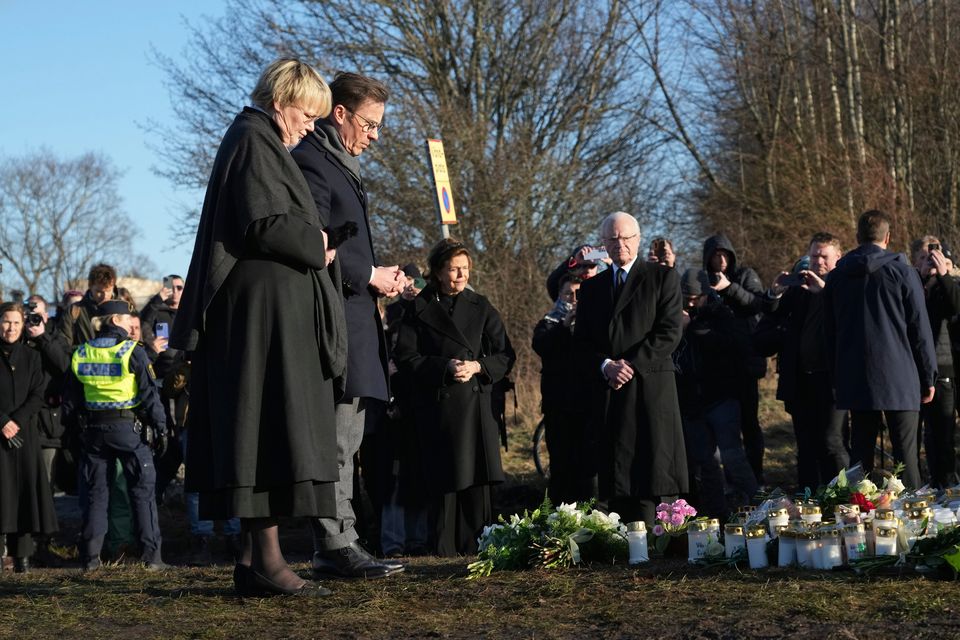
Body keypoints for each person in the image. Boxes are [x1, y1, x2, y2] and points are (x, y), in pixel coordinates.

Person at [172, 58, 345, 596]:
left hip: (266, 319)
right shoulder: (252, 138)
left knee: (261, 429)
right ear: (279, 101)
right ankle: (267, 563)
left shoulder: (256, 139)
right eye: (305, 113)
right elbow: (264, 223)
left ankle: (252, 563)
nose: (310, 125)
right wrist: (317, 244)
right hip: (258, 323)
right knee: (263, 432)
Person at [292, 72, 405, 579]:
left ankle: (344, 542)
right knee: (337, 441)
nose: (375, 136)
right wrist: (368, 274)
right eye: (370, 124)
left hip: (357, 322)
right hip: (334, 325)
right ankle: (336, 547)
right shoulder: (313, 163)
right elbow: (311, 245)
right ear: (339, 114)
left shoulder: (341, 164)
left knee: (350, 439)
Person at [394, 239, 516, 555]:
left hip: (476, 406)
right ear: (437, 271)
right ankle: (443, 547)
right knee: (444, 479)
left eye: (464, 269)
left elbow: (505, 354)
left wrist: (478, 366)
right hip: (439, 406)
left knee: (475, 479)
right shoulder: (418, 308)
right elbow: (406, 357)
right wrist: (444, 366)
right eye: (453, 269)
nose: (460, 276)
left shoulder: (481, 306)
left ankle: (478, 542)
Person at [574, 212, 687, 525]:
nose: (619, 244)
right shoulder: (592, 288)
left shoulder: (661, 277)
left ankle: (658, 534)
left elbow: (669, 332)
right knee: (618, 467)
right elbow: (581, 342)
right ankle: (622, 535)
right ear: (604, 243)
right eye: (612, 239)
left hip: (649, 386)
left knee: (652, 467)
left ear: (637, 239)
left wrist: (632, 364)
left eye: (625, 238)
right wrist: (605, 364)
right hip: (611, 389)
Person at [824, 210, 937, 489]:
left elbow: (829, 334)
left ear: (857, 237)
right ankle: (912, 521)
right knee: (906, 458)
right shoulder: (903, 272)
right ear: (888, 237)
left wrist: (836, 379)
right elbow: (919, 329)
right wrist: (928, 376)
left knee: (860, 459)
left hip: (856, 376)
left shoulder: (837, 277)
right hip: (901, 376)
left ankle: (858, 524)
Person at [61, 300, 168, 571]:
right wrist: (161, 427)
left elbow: (70, 401)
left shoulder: (82, 352)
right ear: (118, 320)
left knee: (96, 496)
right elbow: (149, 395)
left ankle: (90, 560)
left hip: (94, 432)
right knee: (142, 492)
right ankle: (152, 558)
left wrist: (75, 434)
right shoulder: (132, 351)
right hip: (128, 431)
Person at [755, 233, 850, 491]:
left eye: (824, 256)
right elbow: (769, 320)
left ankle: (845, 497)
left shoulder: (843, 285)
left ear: (837, 258)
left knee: (832, 441)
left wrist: (825, 291)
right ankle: (809, 503)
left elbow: (851, 319)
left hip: (833, 381)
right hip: (801, 379)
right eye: (814, 255)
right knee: (806, 446)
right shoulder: (798, 290)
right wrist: (774, 293)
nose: (818, 261)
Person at [673, 270, 756, 519]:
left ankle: (761, 505)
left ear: (706, 295)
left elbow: (733, 346)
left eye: (695, 298)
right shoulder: (677, 318)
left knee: (733, 459)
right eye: (686, 298)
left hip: (721, 398)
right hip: (692, 402)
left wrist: (692, 327)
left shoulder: (722, 314)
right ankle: (718, 516)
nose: (690, 303)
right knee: (705, 463)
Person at [700, 234, 770, 484]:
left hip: (745, 363)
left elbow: (757, 304)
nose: (720, 260)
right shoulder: (702, 281)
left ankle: (756, 477)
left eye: (724, 255)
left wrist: (729, 288)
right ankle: (732, 481)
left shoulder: (745, 275)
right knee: (725, 429)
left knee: (750, 425)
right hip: (717, 366)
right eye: (715, 256)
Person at [0, 302, 58, 573]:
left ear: (23, 325)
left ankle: (22, 558)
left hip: (25, 436)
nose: (10, 328)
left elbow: (39, 394)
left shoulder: (32, 356)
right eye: (6, 321)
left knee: (23, 497)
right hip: (0, 436)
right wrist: (3, 422)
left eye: (15, 322)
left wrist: (17, 422)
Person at [532, 274, 597, 504]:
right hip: (558, 408)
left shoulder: (594, 323)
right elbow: (541, 346)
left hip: (588, 407)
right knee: (561, 467)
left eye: (579, 294)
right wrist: (565, 325)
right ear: (560, 296)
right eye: (569, 293)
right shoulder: (548, 322)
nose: (574, 298)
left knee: (589, 469)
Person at [910, 237, 960, 488]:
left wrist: (944, 276)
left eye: (936, 257)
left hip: (944, 370)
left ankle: (947, 483)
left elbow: (955, 308)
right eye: (923, 257)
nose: (930, 261)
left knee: (944, 433)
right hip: (914, 371)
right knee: (919, 436)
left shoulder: (950, 285)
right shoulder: (913, 286)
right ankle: (922, 485)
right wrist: (920, 278)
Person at [59, 264, 119, 347]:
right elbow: (64, 347)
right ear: (90, 286)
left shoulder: (125, 311)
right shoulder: (74, 311)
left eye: (108, 291)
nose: (105, 296)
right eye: (99, 291)